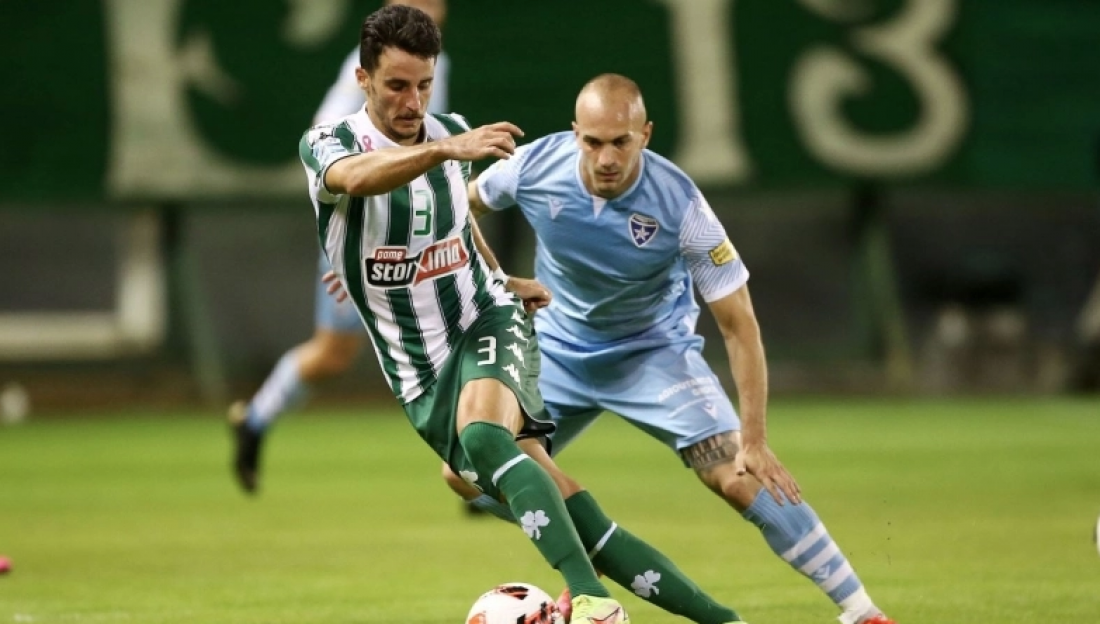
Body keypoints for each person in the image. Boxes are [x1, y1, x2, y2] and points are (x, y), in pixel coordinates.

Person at [295, 7, 751, 624]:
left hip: (486, 319)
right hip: (417, 369)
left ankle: (591, 601)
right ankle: (726, 620)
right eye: (397, 85)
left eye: (424, 85)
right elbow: (353, 179)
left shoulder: (449, 135)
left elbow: (458, 222)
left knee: (485, 438)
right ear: (363, 78)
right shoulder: (330, 142)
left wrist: (501, 279)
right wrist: (440, 152)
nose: (414, 101)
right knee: (561, 502)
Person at [443, 73, 899, 624]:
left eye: (621, 141)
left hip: (652, 353)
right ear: (574, 133)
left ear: (646, 134)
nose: (606, 157)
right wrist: (497, 278)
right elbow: (454, 211)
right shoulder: (535, 166)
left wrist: (755, 438)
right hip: (557, 351)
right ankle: (592, 551)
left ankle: (862, 611)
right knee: (464, 472)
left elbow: (740, 326)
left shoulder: (681, 205)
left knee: (739, 476)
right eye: (593, 141)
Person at [228, 0, 449, 494]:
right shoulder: (373, 67)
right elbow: (329, 146)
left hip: (417, 234)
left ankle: (483, 466)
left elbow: (435, 158)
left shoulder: (434, 64)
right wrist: (350, 250)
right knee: (333, 354)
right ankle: (255, 419)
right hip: (366, 234)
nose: (430, 8)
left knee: (458, 338)